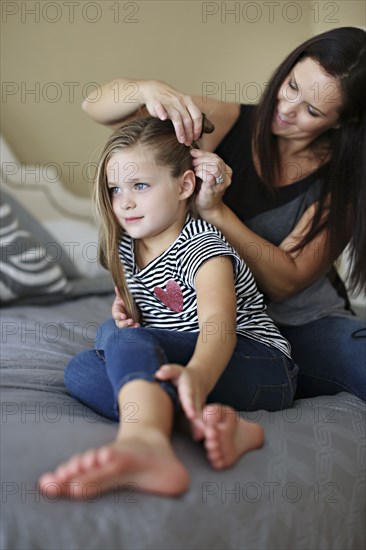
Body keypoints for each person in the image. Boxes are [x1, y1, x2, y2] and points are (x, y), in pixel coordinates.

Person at [81, 26, 366, 402]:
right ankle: (189, 408)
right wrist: (144, 88)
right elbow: (95, 106)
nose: (286, 109)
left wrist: (216, 211)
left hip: (303, 326)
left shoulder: (342, 181)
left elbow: (286, 282)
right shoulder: (223, 121)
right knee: (96, 364)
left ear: (342, 121)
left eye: (311, 110)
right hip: (204, 326)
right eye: (292, 86)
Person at [39, 116, 298, 499]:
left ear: (184, 185)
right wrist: (126, 315)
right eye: (115, 189)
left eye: (140, 185)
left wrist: (197, 376)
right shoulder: (126, 248)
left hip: (258, 366)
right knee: (83, 369)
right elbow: (157, 321)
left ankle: (143, 442)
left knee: (124, 345)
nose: (125, 202)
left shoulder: (202, 247)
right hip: (187, 362)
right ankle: (209, 425)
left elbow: (217, 327)